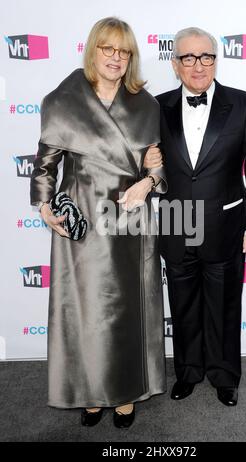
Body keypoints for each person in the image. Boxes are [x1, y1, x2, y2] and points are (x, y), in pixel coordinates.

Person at [30, 17, 167, 428]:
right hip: (84, 218)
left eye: (124, 52)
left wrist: (149, 180)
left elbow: (159, 169)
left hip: (129, 218)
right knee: (85, 310)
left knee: (125, 310)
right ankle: (89, 391)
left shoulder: (147, 104)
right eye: (109, 48)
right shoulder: (63, 100)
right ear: (93, 50)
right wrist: (43, 205)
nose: (116, 58)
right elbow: (45, 165)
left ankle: (124, 394)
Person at [155, 27, 246, 406]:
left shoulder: (244, 104)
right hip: (174, 221)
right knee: (183, 302)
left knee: (223, 304)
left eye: (205, 56)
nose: (197, 65)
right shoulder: (156, 107)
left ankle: (224, 376)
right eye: (187, 58)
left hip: (225, 223)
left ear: (216, 60)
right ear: (175, 64)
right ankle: (188, 372)